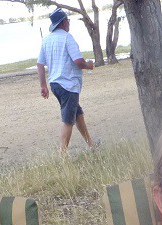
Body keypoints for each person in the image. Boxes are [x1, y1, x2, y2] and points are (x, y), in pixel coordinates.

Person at [37, 8, 98, 156]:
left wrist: (43, 85)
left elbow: (40, 64)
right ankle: (62, 156)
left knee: (77, 114)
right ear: (64, 22)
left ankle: (91, 145)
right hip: (68, 85)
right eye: (68, 21)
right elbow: (78, 62)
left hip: (55, 84)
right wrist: (89, 65)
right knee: (68, 120)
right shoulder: (67, 38)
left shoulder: (46, 40)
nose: (69, 23)